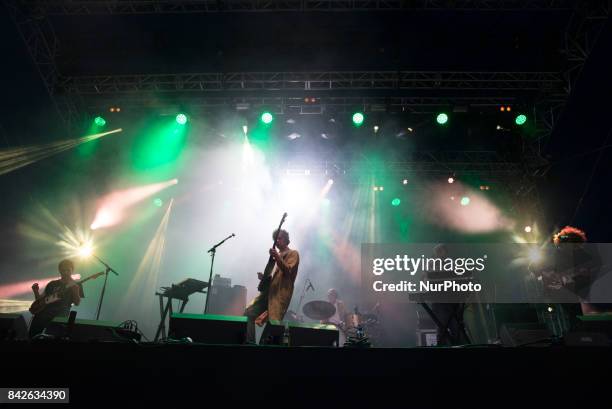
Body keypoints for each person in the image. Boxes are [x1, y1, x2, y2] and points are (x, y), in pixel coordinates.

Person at [244, 229, 299, 343]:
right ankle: (250, 343)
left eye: (280, 238)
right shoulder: (275, 258)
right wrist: (265, 278)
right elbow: (275, 277)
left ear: (287, 240)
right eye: (275, 239)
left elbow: (288, 271)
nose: (277, 241)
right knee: (249, 312)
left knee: (272, 326)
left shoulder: (293, 253)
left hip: (278, 296)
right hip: (268, 293)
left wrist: (277, 257)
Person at [29, 259, 84, 338]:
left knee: (53, 334)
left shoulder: (76, 284)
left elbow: (77, 303)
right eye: (63, 270)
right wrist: (35, 291)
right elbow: (40, 300)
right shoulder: (52, 284)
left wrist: (75, 291)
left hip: (61, 312)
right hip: (44, 312)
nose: (65, 272)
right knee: (34, 333)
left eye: (68, 270)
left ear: (72, 270)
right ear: (60, 270)